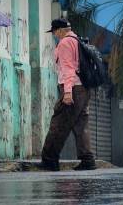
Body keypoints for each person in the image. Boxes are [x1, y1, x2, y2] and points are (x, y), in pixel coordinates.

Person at [37, 19, 96, 171]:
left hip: (73, 89)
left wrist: (68, 93)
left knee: (59, 123)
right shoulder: (77, 40)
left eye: (55, 32)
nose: (55, 35)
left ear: (61, 30)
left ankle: (49, 160)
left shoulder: (64, 43)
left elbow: (68, 69)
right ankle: (88, 160)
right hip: (84, 88)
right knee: (80, 125)